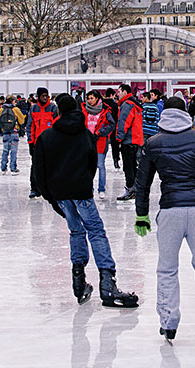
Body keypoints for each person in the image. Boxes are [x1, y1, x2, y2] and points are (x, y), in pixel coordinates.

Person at [133, 95, 195, 343]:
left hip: (170, 210)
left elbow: (142, 183)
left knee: (167, 269)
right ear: (186, 114)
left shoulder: (154, 143)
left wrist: (141, 214)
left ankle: (168, 324)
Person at [34, 94, 139, 308]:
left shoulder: (47, 137)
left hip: (61, 193)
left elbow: (39, 171)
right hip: (81, 191)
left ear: (59, 112)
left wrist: (50, 196)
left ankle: (79, 281)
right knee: (96, 231)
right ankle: (107, 283)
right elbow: (92, 165)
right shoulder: (86, 135)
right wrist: (83, 183)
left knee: (76, 231)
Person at [82, 90, 115, 200]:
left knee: (100, 165)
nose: (89, 101)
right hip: (86, 142)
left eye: (92, 98)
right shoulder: (83, 109)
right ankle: (88, 189)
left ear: (97, 98)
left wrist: (100, 132)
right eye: (88, 98)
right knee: (87, 167)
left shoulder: (105, 110)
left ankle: (101, 189)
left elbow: (111, 124)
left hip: (100, 141)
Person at [26, 88, 58, 198]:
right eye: (43, 96)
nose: (45, 98)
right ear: (38, 97)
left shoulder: (53, 108)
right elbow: (30, 126)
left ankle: (51, 188)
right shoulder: (33, 109)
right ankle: (34, 188)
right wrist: (30, 142)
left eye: (46, 96)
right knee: (35, 166)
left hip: (50, 143)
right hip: (37, 143)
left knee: (51, 166)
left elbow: (57, 124)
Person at [115, 84, 144, 201]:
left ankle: (131, 189)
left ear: (125, 92)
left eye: (119, 91)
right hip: (136, 139)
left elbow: (124, 121)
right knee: (133, 165)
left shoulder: (127, 105)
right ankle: (136, 189)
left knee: (128, 167)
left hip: (129, 139)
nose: (117, 93)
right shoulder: (134, 103)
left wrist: (119, 138)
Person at [0, 96, 25, 175]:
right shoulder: (15, 109)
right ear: (13, 101)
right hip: (14, 131)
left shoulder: (1, 109)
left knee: (5, 149)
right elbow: (22, 120)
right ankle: (13, 167)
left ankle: (3, 167)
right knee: (14, 150)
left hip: (5, 132)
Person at [103, 88, 121, 170]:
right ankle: (116, 160)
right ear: (111, 95)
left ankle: (101, 160)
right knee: (115, 145)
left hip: (103, 127)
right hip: (113, 127)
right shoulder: (114, 105)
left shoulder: (102, 104)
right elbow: (117, 117)